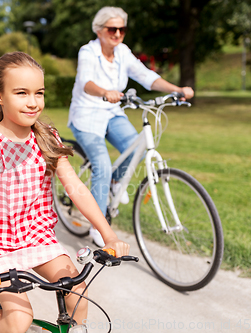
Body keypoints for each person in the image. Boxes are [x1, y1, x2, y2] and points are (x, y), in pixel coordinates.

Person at [0, 51, 130, 333]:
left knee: (78, 294)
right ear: (0, 96)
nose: (33, 102)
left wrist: (108, 234)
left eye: (39, 93)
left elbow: (76, 188)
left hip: (37, 236)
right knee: (19, 319)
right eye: (22, 93)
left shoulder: (46, 135)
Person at [68, 6, 194, 247]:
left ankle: (114, 184)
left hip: (113, 113)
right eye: (112, 29)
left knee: (134, 146)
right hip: (87, 115)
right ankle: (99, 226)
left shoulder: (123, 52)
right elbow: (86, 82)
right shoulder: (88, 51)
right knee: (102, 165)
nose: (117, 34)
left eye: (122, 29)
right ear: (99, 30)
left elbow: (146, 77)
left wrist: (177, 90)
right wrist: (105, 92)